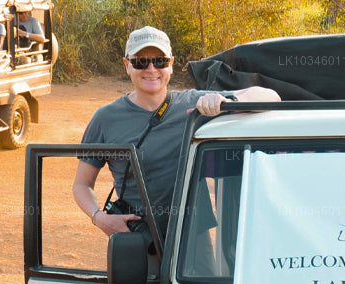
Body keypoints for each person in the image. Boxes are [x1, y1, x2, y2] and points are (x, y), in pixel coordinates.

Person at [73, 26, 281, 238]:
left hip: (191, 239)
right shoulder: (106, 118)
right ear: (127, 66)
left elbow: (270, 97)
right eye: (141, 61)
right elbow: (82, 184)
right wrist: (99, 217)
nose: (151, 69)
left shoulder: (194, 104)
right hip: (137, 235)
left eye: (160, 61)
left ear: (171, 65)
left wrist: (228, 102)